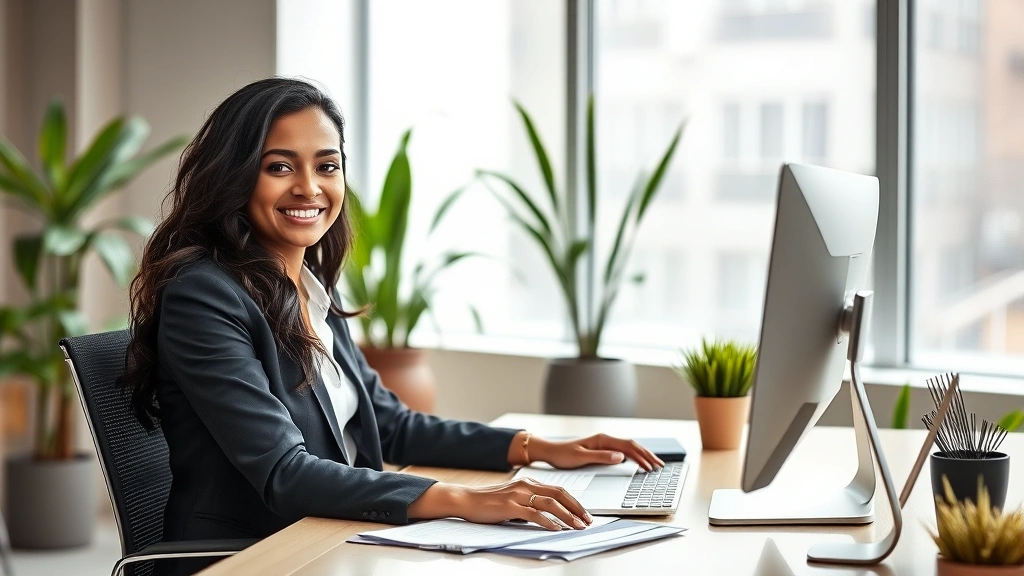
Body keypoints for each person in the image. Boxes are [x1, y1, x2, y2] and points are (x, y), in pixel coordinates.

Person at [119, 77, 663, 575]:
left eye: (327, 166)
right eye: (279, 166)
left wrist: (536, 447)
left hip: (337, 537)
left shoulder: (312, 288)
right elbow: (286, 472)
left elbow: (392, 425)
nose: (309, 187)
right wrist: (465, 499)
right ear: (235, 177)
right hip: (257, 556)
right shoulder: (204, 295)